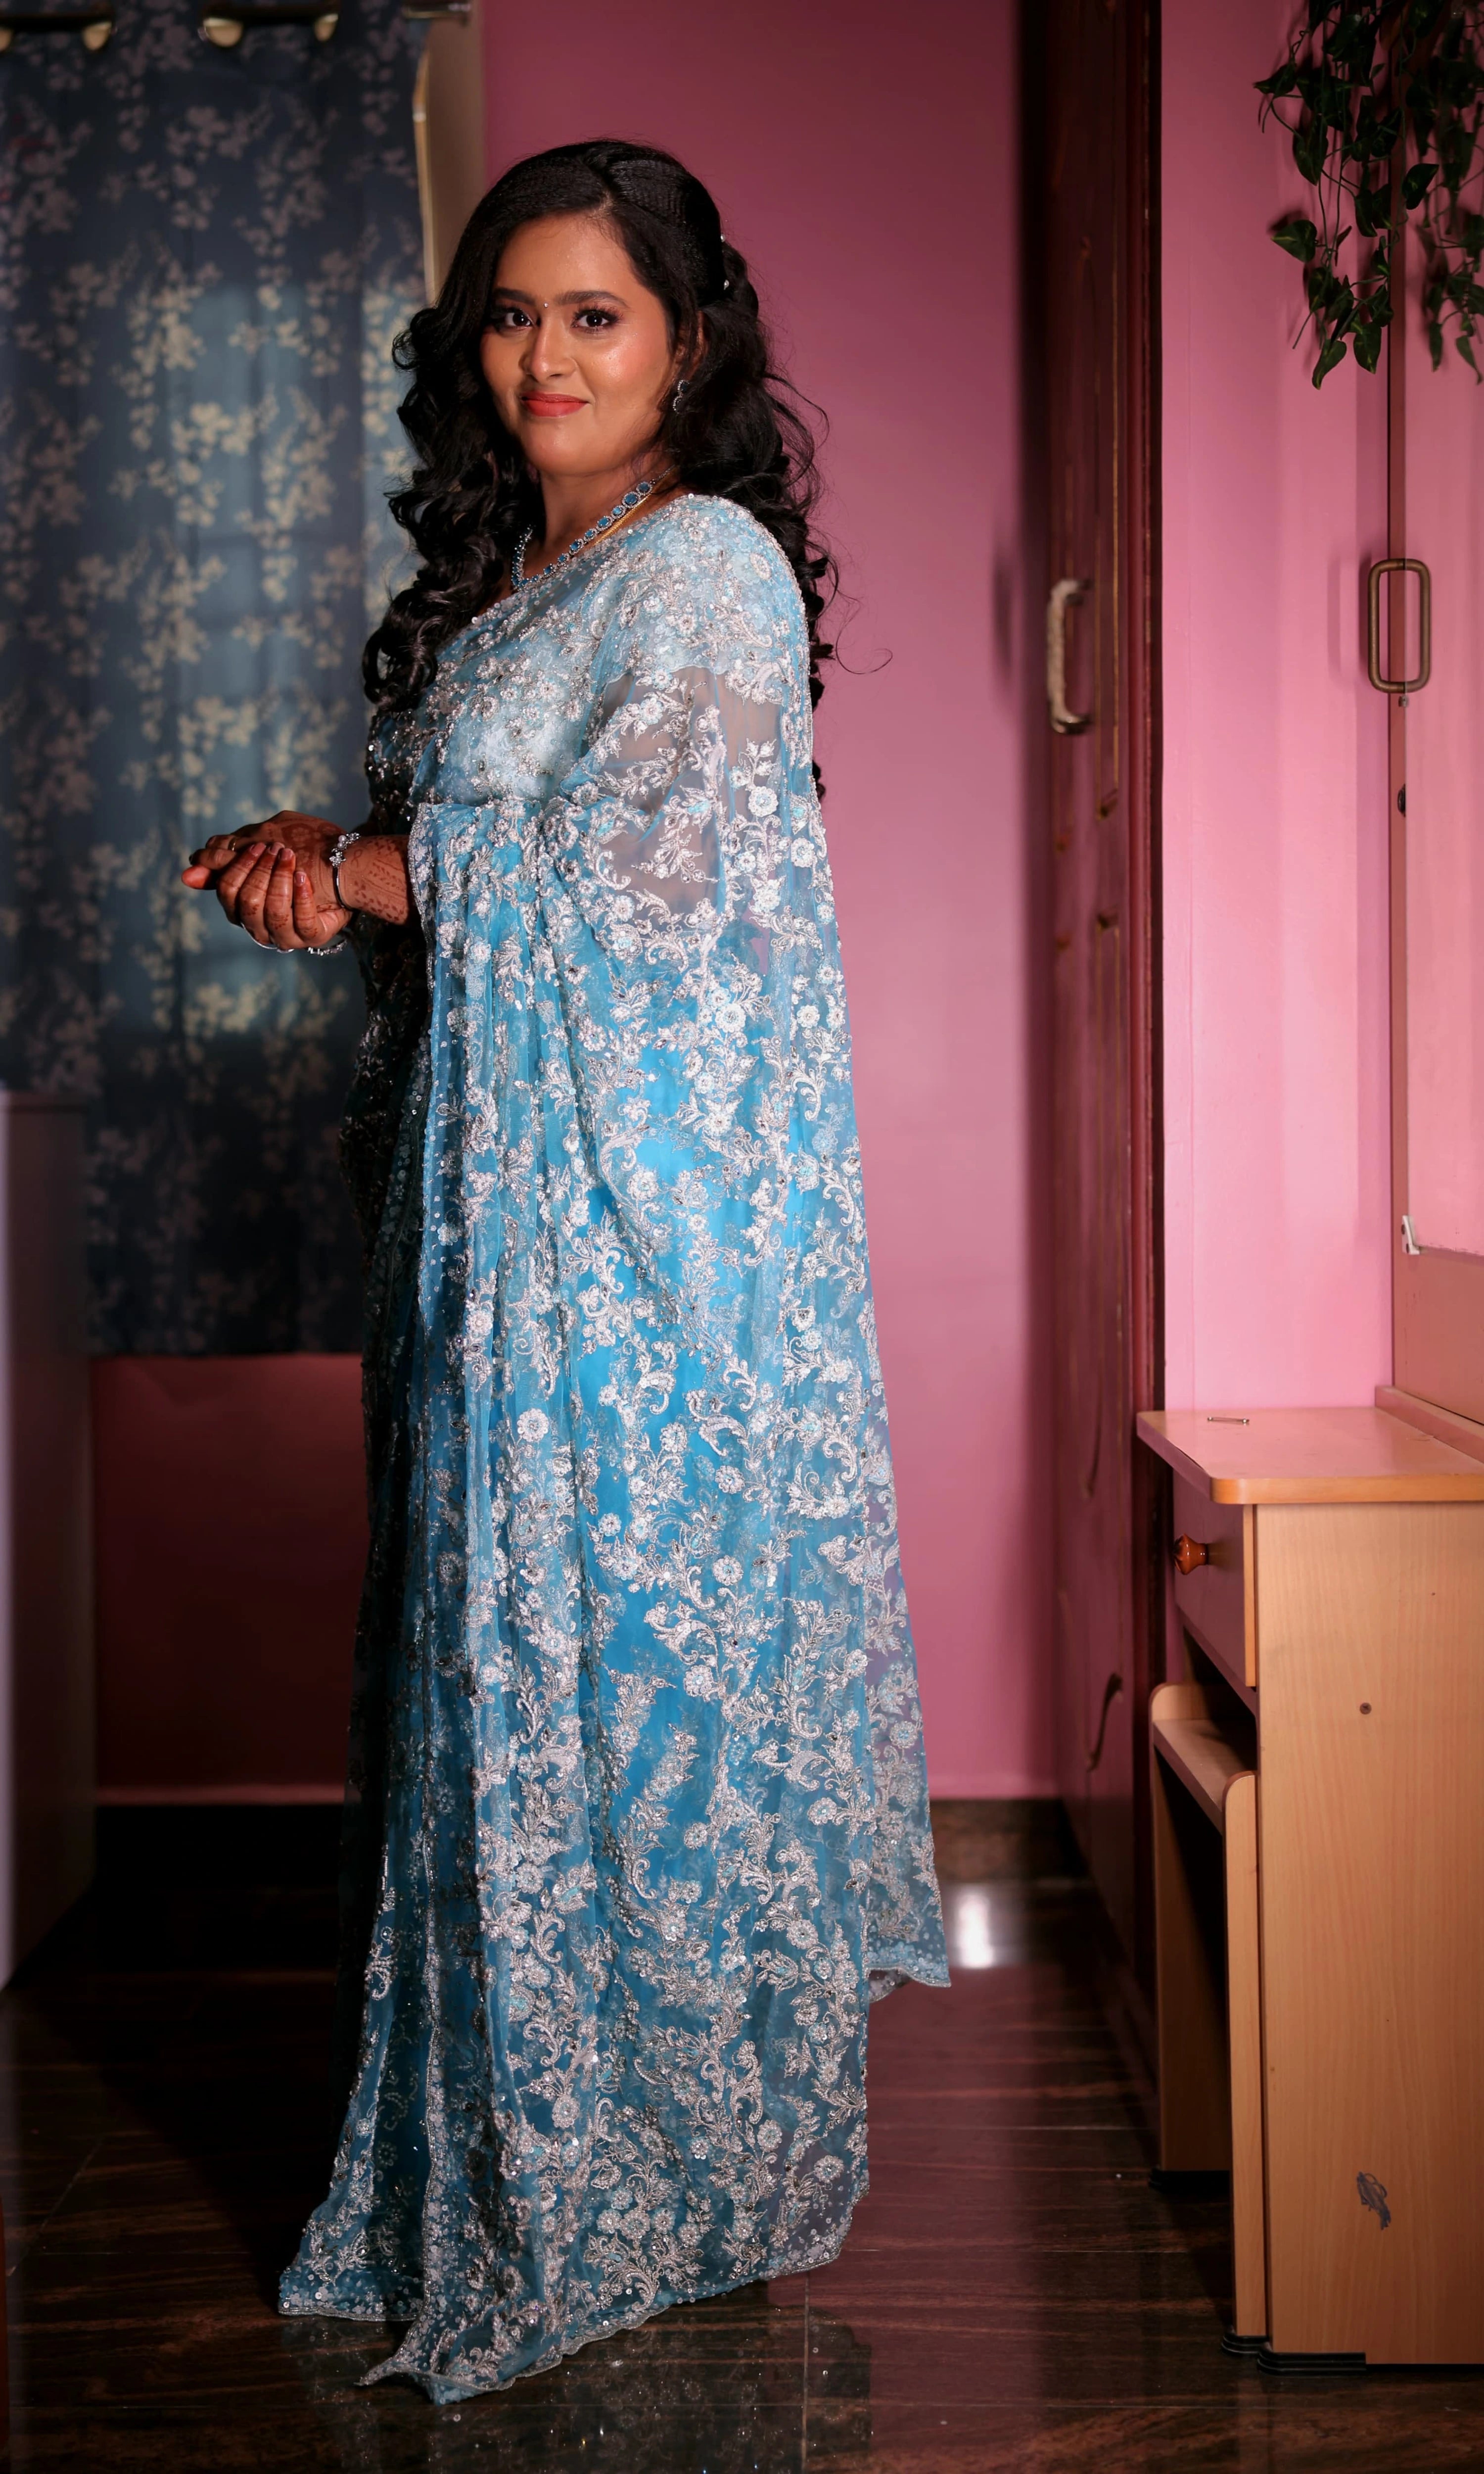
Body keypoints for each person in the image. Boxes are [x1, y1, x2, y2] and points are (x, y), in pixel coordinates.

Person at [183, 137, 947, 2405]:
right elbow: (482, 880)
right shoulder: (526, 581)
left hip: (627, 1262)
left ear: (687, 345)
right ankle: (512, 2154)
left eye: (593, 315)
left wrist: (380, 864)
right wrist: (331, 877)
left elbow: (659, 887)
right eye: (512, 314)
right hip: (486, 1214)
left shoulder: (701, 566)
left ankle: (665, 2170)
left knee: (612, 1677)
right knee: (486, 1677)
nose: (543, 354)